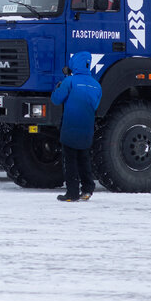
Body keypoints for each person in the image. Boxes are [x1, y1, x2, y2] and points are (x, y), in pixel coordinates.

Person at [50, 51, 102, 202]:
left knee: (70, 161)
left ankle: (72, 193)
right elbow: (95, 105)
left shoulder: (70, 82)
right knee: (84, 159)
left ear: (74, 64)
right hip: (87, 128)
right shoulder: (96, 85)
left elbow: (56, 99)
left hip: (70, 127)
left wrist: (59, 86)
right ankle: (87, 189)